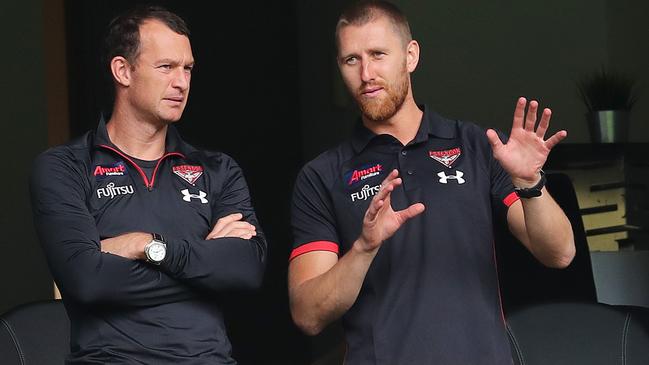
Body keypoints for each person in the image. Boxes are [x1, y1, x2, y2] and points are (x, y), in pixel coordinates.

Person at [288, 1, 575, 364]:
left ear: (411, 56)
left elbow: (559, 253)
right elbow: (307, 315)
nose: (366, 74)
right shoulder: (322, 175)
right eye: (351, 60)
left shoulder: (476, 146)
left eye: (378, 54)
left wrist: (530, 182)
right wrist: (363, 249)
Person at [29, 6, 266, 364]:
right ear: (123, 70)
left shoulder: (217, 169)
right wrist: (204, 259)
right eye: (166, 67)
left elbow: (246, 269)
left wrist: (148, 246)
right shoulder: (64, 167)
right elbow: (86, 280)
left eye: (187, 68)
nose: (182, 82)